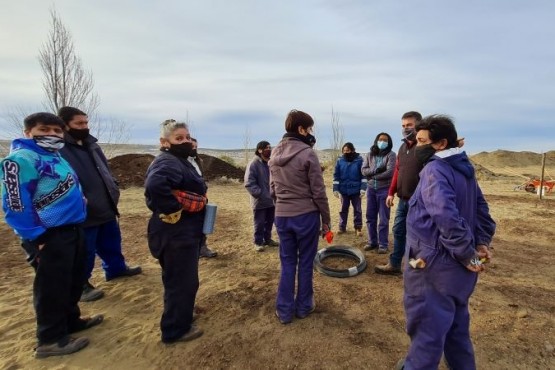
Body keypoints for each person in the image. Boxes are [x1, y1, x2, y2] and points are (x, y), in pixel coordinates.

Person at [397, 114, 496, 370]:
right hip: (458, 275)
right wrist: (481, 245)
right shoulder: (464, 168)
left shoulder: (434, 170)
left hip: (430, 268)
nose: (416, 147)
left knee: (427, 337)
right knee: (456, 331)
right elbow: (482, 211)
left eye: (421, 141)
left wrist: (468, 255)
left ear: (440, 144)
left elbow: (447, 218)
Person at [0, 112, 103, 358]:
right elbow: (15, 204)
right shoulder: (20, 159)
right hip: (48, 234)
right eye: (44, 130)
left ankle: (71, 321)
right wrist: (36, 237)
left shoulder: (54, 155)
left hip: (73, 228)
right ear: (28, 133)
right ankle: (50, 339)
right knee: (52, 286)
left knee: (73, 278)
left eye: (57, 131)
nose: (52, 135)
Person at [58, 107, 141, 302]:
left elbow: (105, 169)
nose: (84, 127)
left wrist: (113, 185)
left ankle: (116, 269)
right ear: (65, 125)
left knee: (111, 242)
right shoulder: (61, 149)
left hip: (105, 204)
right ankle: (81, 285)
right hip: (83, 210)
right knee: (84, 251)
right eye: (79, 124)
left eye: (86, 123)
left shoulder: (92, 145)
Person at [144, 119, 206, 343]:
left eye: (187, 137)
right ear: (165, 142)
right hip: (175, 233)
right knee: (181, 282)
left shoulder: (179, 160)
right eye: (179, 138)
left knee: (181, 279)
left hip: (182, 232)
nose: (185, 141)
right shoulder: (168, 162)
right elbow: (155, 185)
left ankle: (182, 314)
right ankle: (175, 330)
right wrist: (174, 208)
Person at [269, 109, 331, 324]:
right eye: (310, 128)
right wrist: (327, 221)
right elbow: (319, 192)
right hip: (305, 216)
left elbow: (272, 190)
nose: (311, 132)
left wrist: (282, 206)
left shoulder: (274, 153)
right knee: (305, 263)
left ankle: (284, 311)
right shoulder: (307, 153)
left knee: (287, 263)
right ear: (301, 129)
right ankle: (304, 307)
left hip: (282, 216)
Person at [375, 111, 423, 274]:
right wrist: (390, 192)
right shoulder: (403, 147)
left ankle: (415, 266)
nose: (405, 128)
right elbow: (397, 171)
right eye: (403, 125)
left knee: (416, 235)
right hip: (403, 199)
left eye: (409, 125)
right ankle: (395, 264)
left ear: (418, 124)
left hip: (420, 201)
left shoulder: (425, 147)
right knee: (398, 230)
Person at [361, 133, 396, 253]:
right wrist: (375, 171)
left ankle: (383, 244)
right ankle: (372, 242)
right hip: (370, 189)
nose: (382, 141)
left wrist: (373, 175)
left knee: (383, 218)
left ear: (389, 142)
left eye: (385, 140)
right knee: (370, 217)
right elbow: (363, 170)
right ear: (376, 141)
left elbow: (390, 172)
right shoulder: (369, 154)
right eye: (380, 139)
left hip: (384, 189)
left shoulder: (391, 155)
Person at [245, 140, 278, 252]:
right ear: (260, 150)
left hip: (271, 200)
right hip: (259, 201)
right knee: (259, 223)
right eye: (267, 148)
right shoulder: (253, 164)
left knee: (270, 222)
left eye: (270, 147)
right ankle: (258, 242)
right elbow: (249, 183)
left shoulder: (270, 163)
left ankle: (267, 239)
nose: (269, 149)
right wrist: (260, 194)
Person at [190, 137, 217, 258]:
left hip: (201, 197)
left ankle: (202, 248)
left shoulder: (197, 161)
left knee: (203, 223)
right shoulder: (180, 162)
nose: (194, 149)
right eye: (192, 146)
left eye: (196, 147)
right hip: (189, 199)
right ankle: (192, 249)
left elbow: (201, 177)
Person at [332, 142, 365, 236]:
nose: (346, 152)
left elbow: (363, 175)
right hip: (343, 190)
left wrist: (363, 188)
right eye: (344, 151)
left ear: (352, 150)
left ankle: (358, 228)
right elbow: (336, 176)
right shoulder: (340, 161)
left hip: (356, 190)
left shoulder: (359, 160)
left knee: (357, 209)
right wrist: (335, 189)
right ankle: (342, 227)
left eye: (348, 150)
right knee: (343, 209)